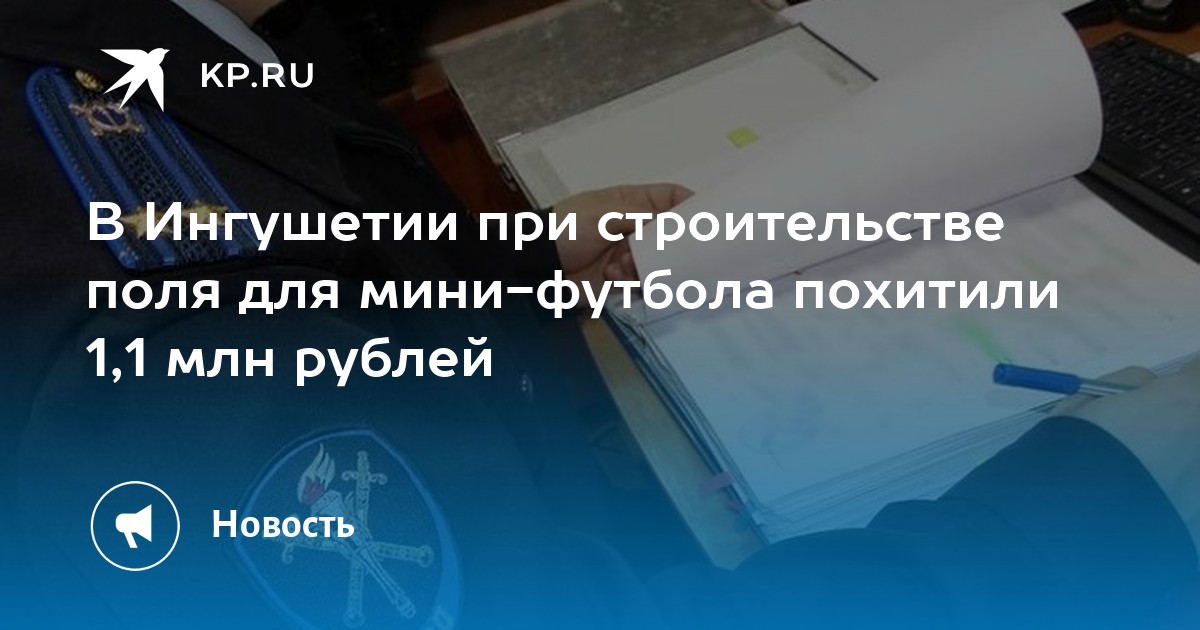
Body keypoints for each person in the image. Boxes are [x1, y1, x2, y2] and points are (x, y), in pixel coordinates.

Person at [0, 0, 1195, 628]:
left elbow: (309, 258)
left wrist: (509, 264)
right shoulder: (135, 325)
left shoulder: (125, 46)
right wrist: (1103, 492)